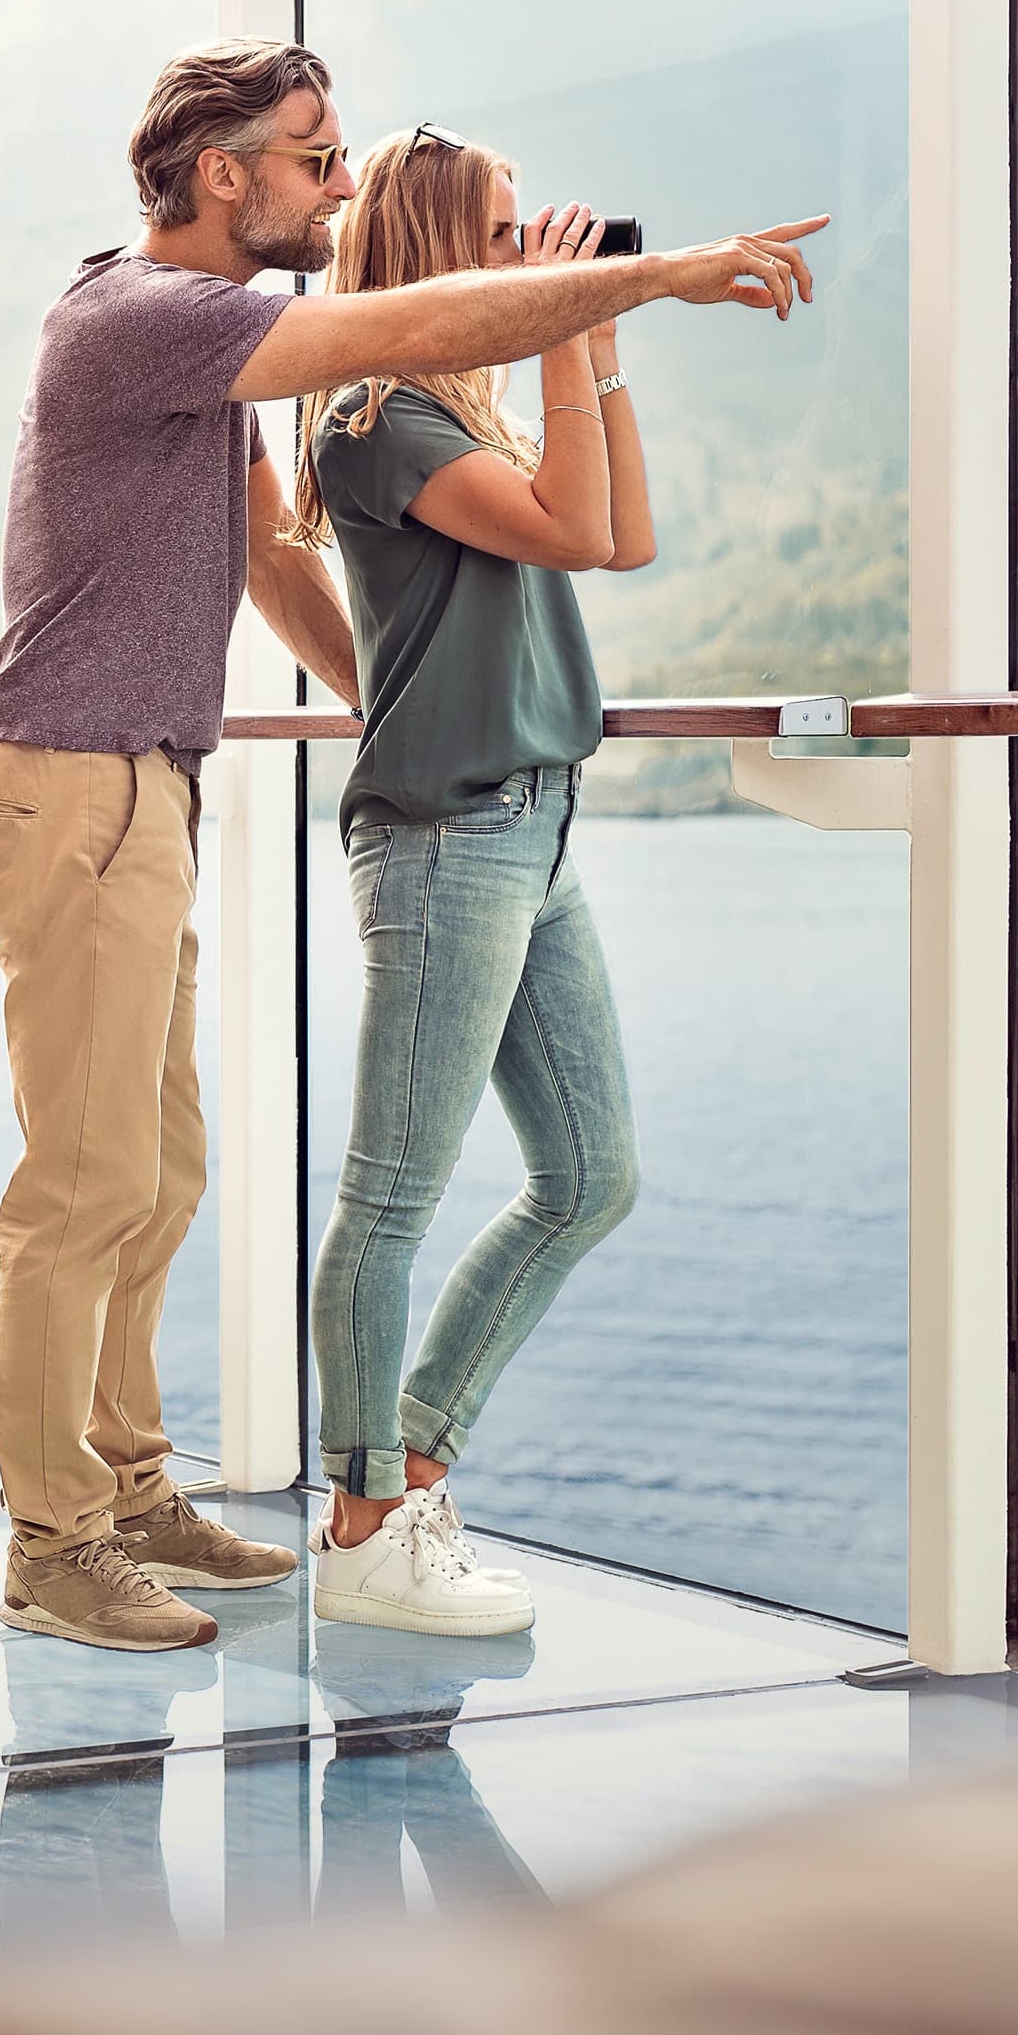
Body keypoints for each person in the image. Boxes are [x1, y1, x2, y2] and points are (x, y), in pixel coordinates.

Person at [0, 41, 822, 1655]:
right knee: (81, 1188)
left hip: (142, 783)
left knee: (158, 1170)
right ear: (226, 175)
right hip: (69, 780)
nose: (337, 182)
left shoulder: (199, 366)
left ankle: (130, 1485)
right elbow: (418, 327)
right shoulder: (152, 318)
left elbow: (271, 573)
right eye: (312, 156)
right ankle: (51, 1538)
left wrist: (388, 698)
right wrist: (659, 278)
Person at [284, 124, 668, 1637]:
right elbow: (578, 528)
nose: (530, 259)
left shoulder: (467, 420)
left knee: (589, 1178)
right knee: (391, 1195)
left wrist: (601, 336)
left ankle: (413, 1462)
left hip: (535, 827)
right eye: (504, 239)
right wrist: (569, 324)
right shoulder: (377, 419)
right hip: (449, 837)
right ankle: (365, 1519)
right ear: (443, 252)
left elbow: (622, 538)